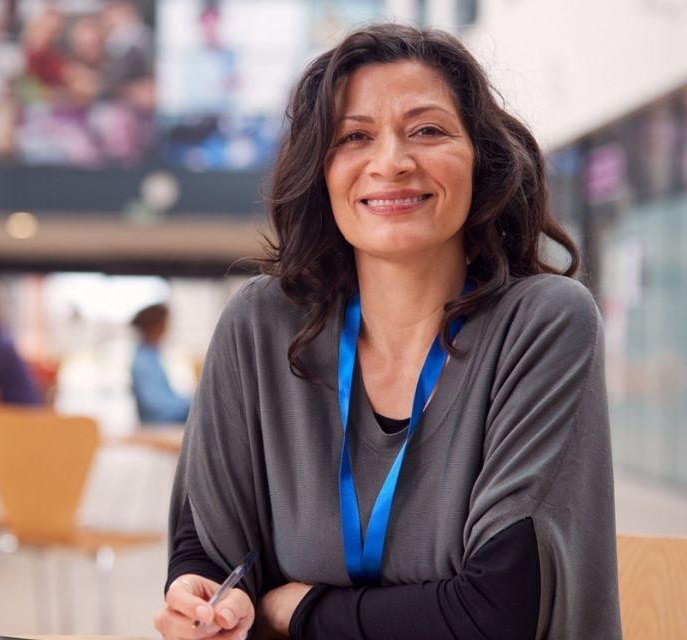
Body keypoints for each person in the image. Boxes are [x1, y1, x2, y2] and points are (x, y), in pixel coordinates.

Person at [156, 23, 620, 640]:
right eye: (355, 137)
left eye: (428, 130)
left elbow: (498, 614)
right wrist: (201, 595)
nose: (392, 162)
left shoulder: (542, 323)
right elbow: (211, 550)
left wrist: (292, 611)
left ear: (481, 161)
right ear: (322, 172)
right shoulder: (260, 325)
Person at [130, 303, 191, 425]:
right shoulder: (143, 362)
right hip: (159, 425)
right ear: (156, 327)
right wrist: (191, 405)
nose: (169, 328)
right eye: (166, 323)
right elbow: (157, 407)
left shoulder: (152, 356)